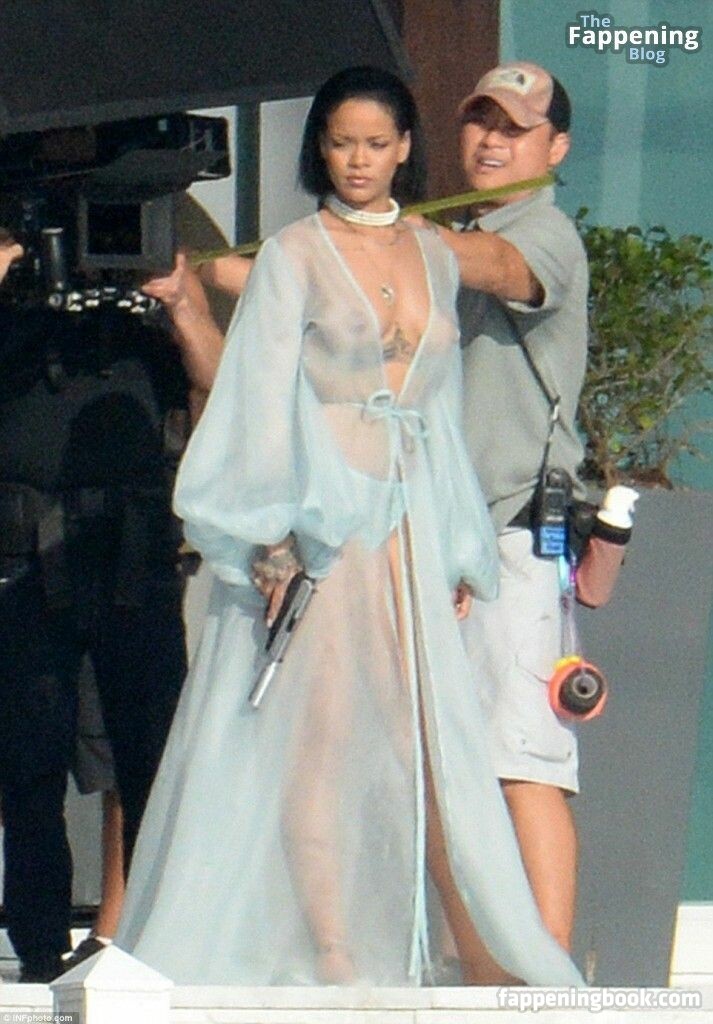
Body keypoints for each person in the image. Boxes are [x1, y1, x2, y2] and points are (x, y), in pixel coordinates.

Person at [116, 65, 583, 988]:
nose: (358, 161)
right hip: (322, 525)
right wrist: (273, 537)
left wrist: (455, 544)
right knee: (319, 736)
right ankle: (331, 947)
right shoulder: (294, 253)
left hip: (408, 525)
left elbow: (440, 412)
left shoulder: (433, 254)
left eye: (375, 143)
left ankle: (464, 950)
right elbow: (255, 403)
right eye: (340, 143)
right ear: (318, 149)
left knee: (426, 745)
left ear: (405, 148)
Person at [0, 200, 223, 982]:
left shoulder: (144, 281)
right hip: (24, 550)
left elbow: (217, 385)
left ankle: (157, 944)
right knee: (27, 764)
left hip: (135, 547)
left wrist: (182, 300)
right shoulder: (15, 283)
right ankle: (37, 952)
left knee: (151, 758)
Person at [430, 62, 588, 955]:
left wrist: (388, 238)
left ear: (553, 148)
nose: (491, 140)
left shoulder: (543, 231)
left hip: (518, 537)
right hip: (443, 544)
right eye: (480, 121)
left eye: (515, 127)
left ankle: (548, 985)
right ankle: (489, 979)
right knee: (450, 776)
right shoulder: (449, 235)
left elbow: (504, 269)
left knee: (523, 765)